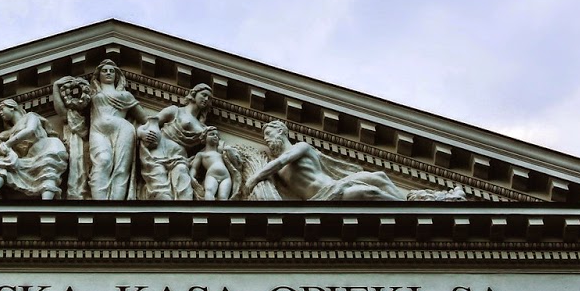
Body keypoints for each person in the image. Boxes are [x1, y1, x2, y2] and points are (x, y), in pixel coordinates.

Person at [246, 119, 416, 201]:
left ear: (280, 131)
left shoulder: (300, 147)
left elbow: (282, 161)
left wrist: (255, 178)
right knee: (369, 192)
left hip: (334, 185)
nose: (266, 139)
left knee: (379, 176)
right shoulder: (275, 170)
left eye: (268, 134)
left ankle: (407, 207)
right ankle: (406, 213)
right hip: (324, 197)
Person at [0, 99, 69, 201]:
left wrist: (9, 143)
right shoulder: (9, 132)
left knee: (48, 171)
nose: (0, 113)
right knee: (0, 163)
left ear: (12, 108)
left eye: (2, 109)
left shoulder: (31, 116)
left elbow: (30, 129)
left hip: (47, 147)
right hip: (29, 158)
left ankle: (47, 202)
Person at [86, 59, 145, 201]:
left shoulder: (126, 96)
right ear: (98, 75)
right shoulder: (91, 95)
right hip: (98, 131)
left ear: (117, 75)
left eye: (111, 71)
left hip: (123, 130)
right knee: (103, 160)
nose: (108, 73)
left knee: (121, 168)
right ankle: (99, 205)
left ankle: (116, 204)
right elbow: (67, 112)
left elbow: (144, 119)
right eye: (104, 71)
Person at [135, 120, 193, 201]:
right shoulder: (174, 113)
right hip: (160, 149)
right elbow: (149, 121)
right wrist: (141, 133)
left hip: (178, 154)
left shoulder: (203, 125)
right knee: (160, 187)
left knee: (181, 169)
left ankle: (186, 206)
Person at [154, 83, 214, 153]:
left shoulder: (204, 128)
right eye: (204, 95)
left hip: (180, 155)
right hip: (162, 149)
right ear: (193, 94)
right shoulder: (175, 111)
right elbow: (151, 122)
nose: (206, 99)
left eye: (209, 98)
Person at [189, 127, 234, 201]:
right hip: (212, 175)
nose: (215, 136)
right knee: (209, 191)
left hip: (226, 177)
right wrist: (192, 176)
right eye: (212, 134)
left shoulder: (221, 153)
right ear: (204, 138)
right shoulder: (201, 154)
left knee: (223, 197)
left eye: (217, 135)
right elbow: (194, 168)